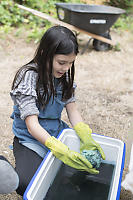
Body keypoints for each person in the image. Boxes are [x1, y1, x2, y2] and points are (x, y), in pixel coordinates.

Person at [10, 25, 105, 196]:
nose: (66, 68)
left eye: (71, 63)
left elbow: (73, 111)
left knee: (89, 166)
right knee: (26, 184)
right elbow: (32, 125)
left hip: (57, 133)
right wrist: (59, 149)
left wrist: (85, 135)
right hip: (30, 139)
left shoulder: (64, 77)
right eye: (62, 62)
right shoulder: (28, 77)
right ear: (45, 53)